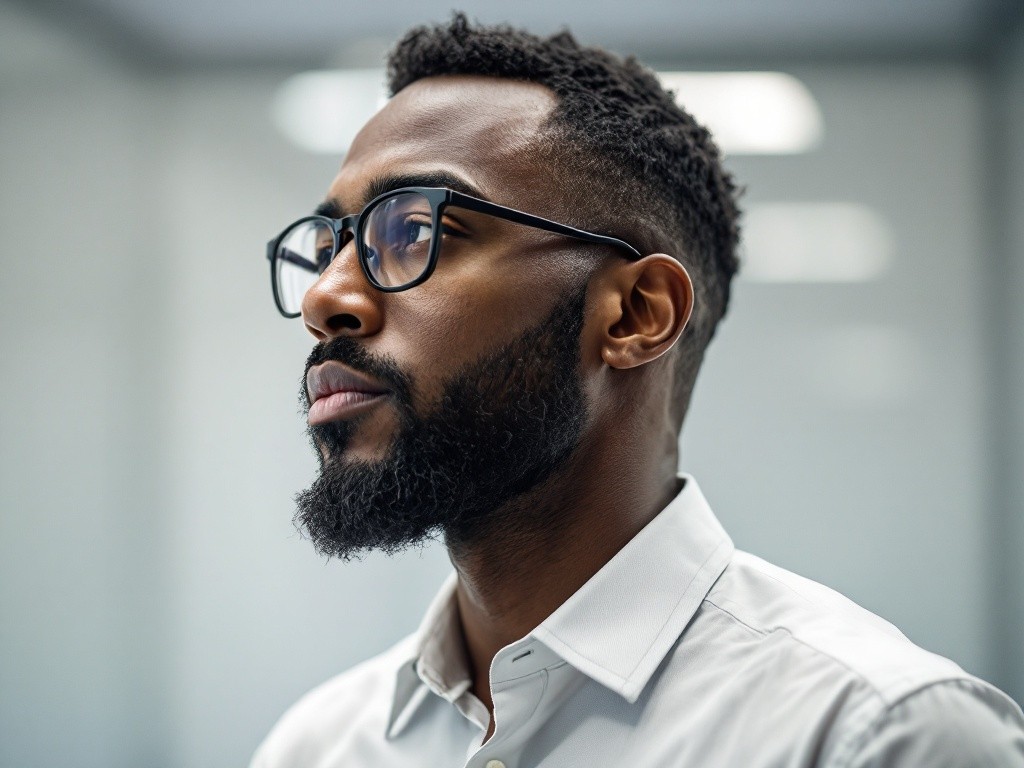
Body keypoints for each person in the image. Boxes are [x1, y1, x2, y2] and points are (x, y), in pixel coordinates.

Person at [251, 14, 1024, 768]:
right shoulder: (318, 746)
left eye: (413, 231)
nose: (326, 296)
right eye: (329, 246)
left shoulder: (879, 734)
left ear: (635, 315)